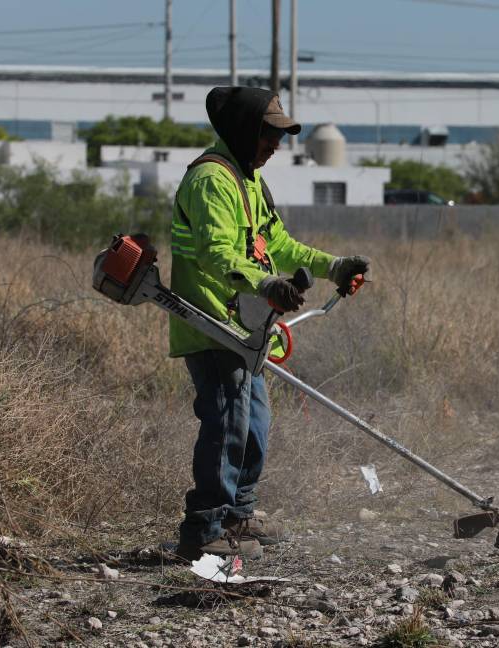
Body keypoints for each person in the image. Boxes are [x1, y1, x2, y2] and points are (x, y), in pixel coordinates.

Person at [169, 86, 370, 560]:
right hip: (211, 322)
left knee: (254, 422)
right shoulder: (210, 181)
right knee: (226, 425)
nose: (275, 147)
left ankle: (239, 513)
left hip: (244, 329)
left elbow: (279, 245)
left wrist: (334, 266)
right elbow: (216, 253)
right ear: (243, 131)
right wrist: (264, 286)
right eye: (268, 136)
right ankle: (203, 529)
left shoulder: (250, 180)